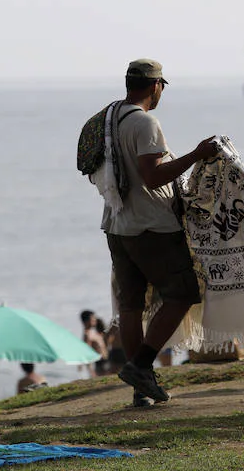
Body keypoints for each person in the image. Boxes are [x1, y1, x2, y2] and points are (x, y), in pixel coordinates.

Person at [99, 59, 218, 406]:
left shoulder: (109, 119)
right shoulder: (145, 123)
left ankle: (141, 388)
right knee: (182, 293)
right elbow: (152, 177)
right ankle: (141, 367)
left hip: (117, 224)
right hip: (150, 225)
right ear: (155, 86)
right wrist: (197, 154)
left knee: (131, 305)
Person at [80, 310, 108, 377]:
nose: (95, 319)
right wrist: (90, 370)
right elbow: (87, 353)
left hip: (105, 361)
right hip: (100, 364)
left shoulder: (94, 332)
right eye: (93, 318)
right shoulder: (87, 335)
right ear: (86, 321)